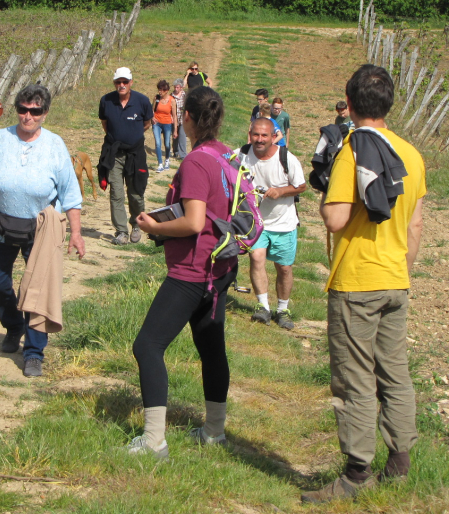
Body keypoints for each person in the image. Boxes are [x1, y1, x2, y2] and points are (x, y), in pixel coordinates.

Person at [303, 64, 425, 504]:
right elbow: (414, 229)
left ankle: (356, 474)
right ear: (389, 103)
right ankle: (399, 461)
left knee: (354, 378)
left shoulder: (353, 150)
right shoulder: (411, 154)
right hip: (396, 278)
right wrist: (400, 269)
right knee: (394, 371)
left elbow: (336, 218)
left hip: (357, 280)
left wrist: (325, 195)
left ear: (349, 105)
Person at [129, 86, 238, 459]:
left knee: (147, 346)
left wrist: (153, 227)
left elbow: (193, 223)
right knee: (211, 348)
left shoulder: (194, 163)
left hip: (193, 270)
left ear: (186, 117)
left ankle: (153, 440)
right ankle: (214, 432)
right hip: (220, 267)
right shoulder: (226, 155)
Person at [0, 84, 85, 378]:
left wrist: (76, 232)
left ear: (45, 113)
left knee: (38, 291)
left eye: (35, 111)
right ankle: (13, 325)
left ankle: (33, 353)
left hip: (42, 229)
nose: (28, 116)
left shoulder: (55, 145)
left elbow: (70, 193)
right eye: (23, 110)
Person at [239, 118, 306, 331]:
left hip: (283, 222)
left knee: (284, 268)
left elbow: (301, 186)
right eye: (255, 135)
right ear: (250, 134)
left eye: (264, 135)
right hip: (256, 222)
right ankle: (263, 306)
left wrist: (281, 191)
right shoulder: (240, 155)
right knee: (256, 258)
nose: (259, 140)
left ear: (272, 136)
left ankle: (283, 309)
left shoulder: (286, 158)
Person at [97, 67, 153, 245]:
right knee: (116, 193)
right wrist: (117, 137)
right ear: (114, 83)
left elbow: (147, 123)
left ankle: (136, 225)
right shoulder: (106, 101)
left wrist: (132, 135)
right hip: (114, 154)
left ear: (131, 82)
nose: (121, 85)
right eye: (118, 82)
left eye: (125, 82)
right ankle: (121, 231)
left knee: (136, 192)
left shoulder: (142, 101)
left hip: (135, 154)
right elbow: (105, 124)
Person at [151, 79, 177, 172]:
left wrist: (175, 130)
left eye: (162, 90)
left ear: (166, 91)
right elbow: (152, 109)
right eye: (159, 89)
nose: (160, 92)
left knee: (167, 143)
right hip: (157, 123)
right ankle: (160, 164)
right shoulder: (156, 98)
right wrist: (152, 117)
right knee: (158, 143)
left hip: (167, 123)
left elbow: (174, 116)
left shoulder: (172, 100)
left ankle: (167, 159)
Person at [171, 78, 187, 160]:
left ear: (181, 87)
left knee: (182, 136)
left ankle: (183, 154)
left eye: (177, 87)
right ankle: (175, 151)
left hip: (182, 119)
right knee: (175, 136)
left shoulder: (185, 95)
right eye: (175, 87)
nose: (176, 89)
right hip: (174, 119)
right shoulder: (171, 96)